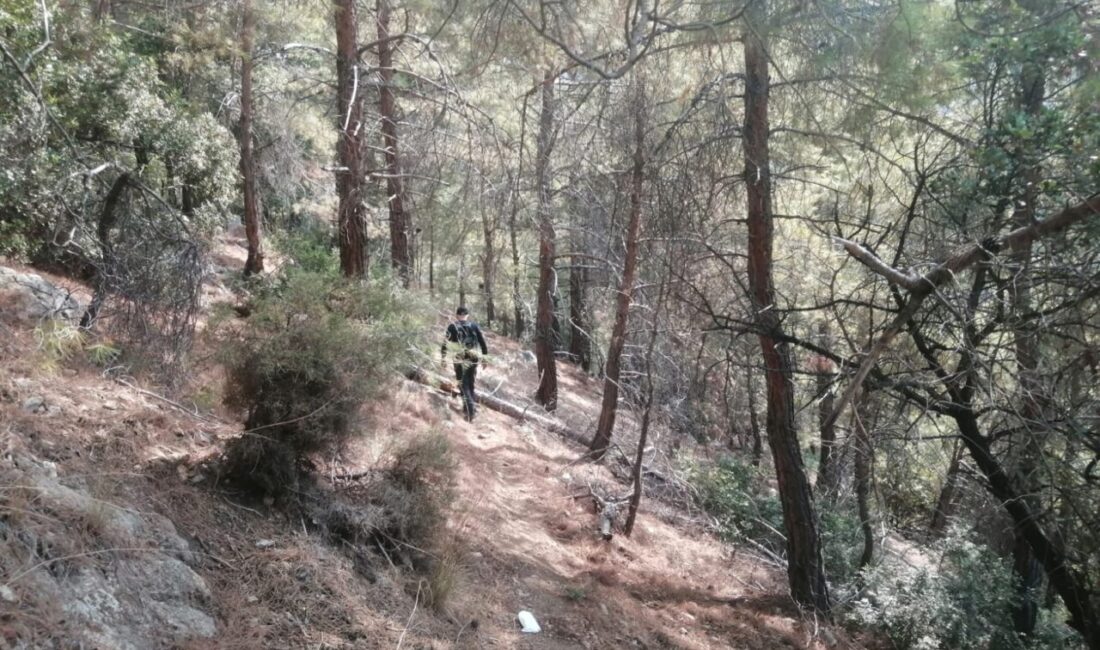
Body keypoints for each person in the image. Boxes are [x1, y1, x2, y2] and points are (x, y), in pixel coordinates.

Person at [441, 306, 489, 422]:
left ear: (457, 315)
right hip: (473, 357)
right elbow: (482, 343)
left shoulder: (452, 327)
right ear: (467, 316)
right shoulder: (474, 326)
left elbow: (445, 343)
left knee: (463, 384)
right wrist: (485, 359)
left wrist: (443, 358)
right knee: (470, 383)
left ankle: (470, 411)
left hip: (459, 358)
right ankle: (469, 408)